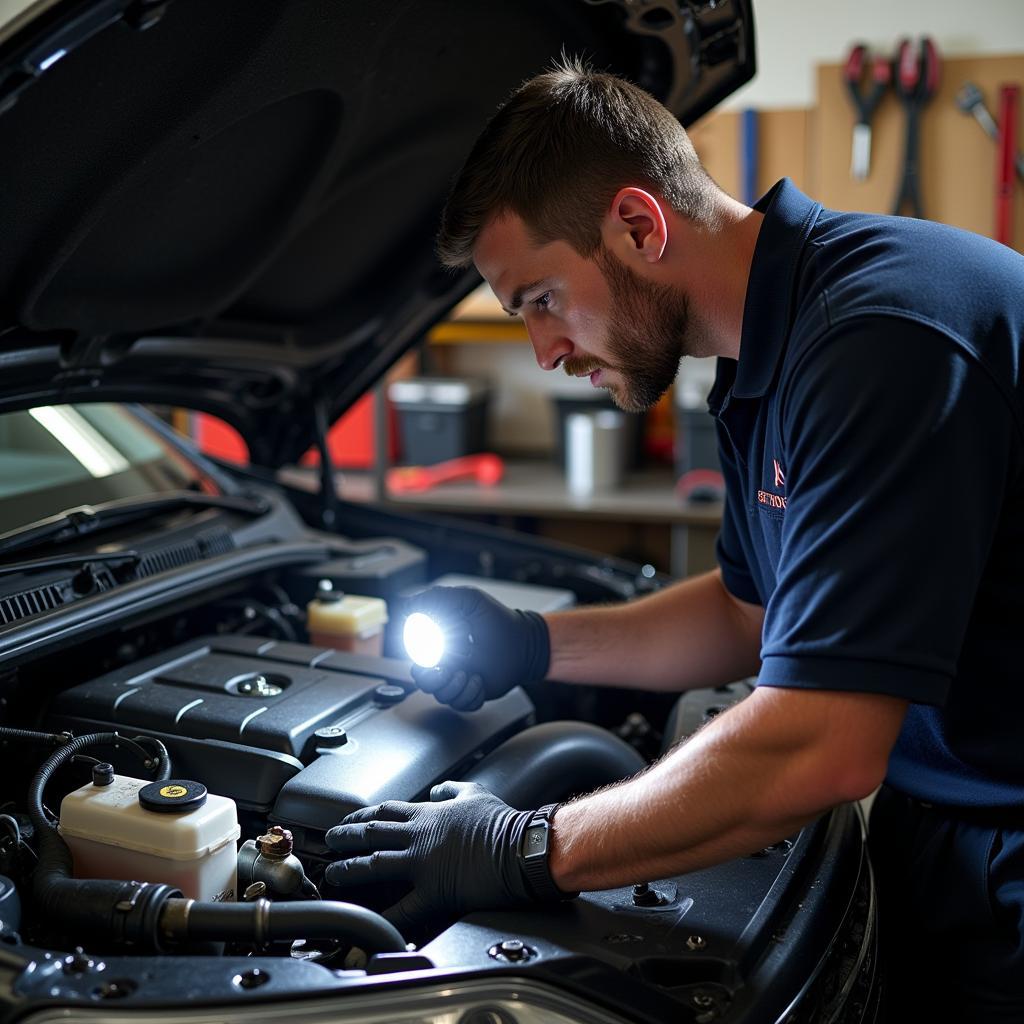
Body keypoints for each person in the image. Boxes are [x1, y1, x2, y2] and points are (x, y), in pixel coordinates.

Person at [324, 59, 1024, 1020]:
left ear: (640, 226)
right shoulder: (763, 355)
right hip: (949, 808)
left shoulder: (883, 340)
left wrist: (526, 849)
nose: (545, 350)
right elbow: (751, 612)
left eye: (538, 299)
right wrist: (535, 642)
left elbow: (820, 747)